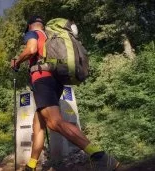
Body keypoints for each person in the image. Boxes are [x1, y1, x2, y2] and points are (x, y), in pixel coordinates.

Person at [10, 16, 120, 171]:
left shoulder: (33, 33)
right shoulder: (50, 35)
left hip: (42, 79)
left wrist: (17, 61)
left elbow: (31, 49)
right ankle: (31, 165)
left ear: (29, 26)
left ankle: (99, 156)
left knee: (54, 122)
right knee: (39, 125)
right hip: (55, 80)